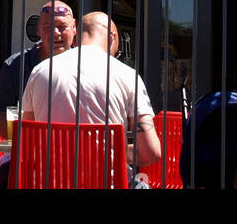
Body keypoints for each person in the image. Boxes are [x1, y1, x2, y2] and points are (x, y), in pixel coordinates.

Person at [20, 11, 161, 166]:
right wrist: (107, 152)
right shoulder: (127, 75)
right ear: (112, 37)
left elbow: (26, 141)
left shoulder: (40, 71)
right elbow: (151, 153)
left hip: (50, 181)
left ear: (75, 39)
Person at [0, 0, 76, 140]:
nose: (55, 33)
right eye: (48, 27)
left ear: (74, 28)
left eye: (62, 27)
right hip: (28, 153)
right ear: (38, 30)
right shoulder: (15, 66)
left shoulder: (86, 67)